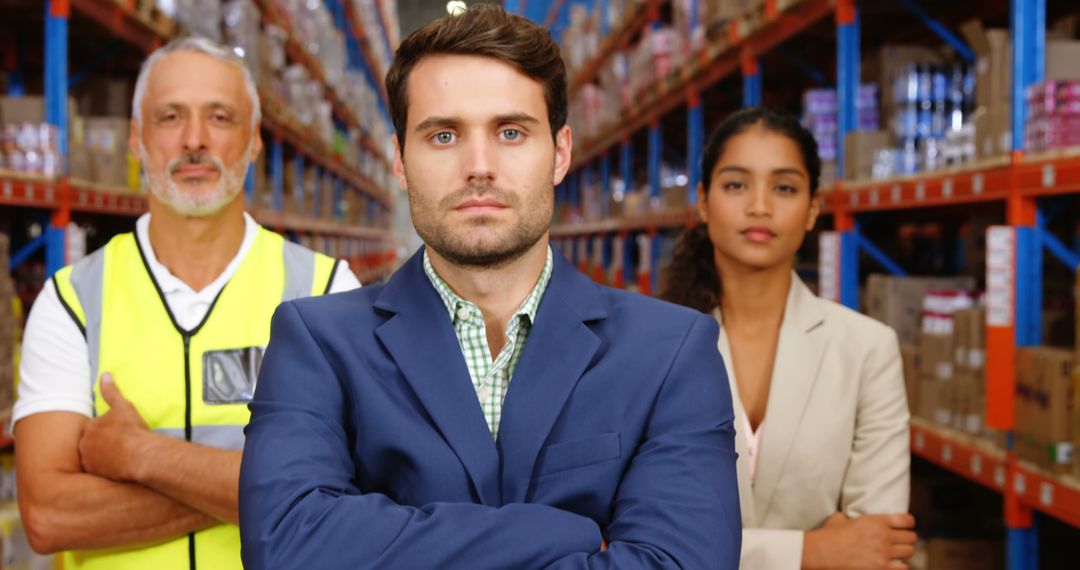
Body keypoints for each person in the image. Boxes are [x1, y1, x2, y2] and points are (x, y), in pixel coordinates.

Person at [238, 5, 741, 568]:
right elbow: (285, 546)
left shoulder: (672, 352)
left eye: (510, 132)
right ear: (400, 161)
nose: (479, 166)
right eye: (444, 135)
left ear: (560, 152)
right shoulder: (317, 343)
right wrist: (565, 534)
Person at [14, 37, 360, 570]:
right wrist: (274, 492)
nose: (194, 140)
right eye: (170, 117)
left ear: (253, 141)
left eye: (220, 118)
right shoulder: (71, 303)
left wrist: (140, 455)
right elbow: (48, 517)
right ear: (136, 139)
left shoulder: (326, 290)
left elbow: (354, 491)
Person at [660, 106, 915, 570]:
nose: (760, 206)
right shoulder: (648, 344)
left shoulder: (867, 350)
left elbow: (880, 548)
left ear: (813, 208)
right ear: (702, 201)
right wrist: (812, 552)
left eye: (784, 187)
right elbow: (633, 541)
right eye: (736, 184)